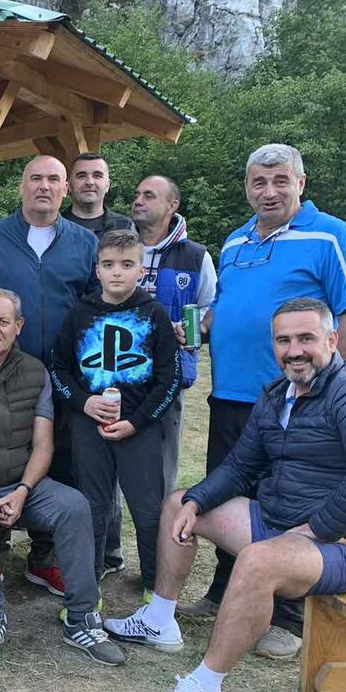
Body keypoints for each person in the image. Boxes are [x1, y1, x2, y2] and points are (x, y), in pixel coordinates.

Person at [104, 298, 346, 692]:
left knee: (257, 560)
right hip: (281, 523)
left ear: (332, 340)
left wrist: (317, 530)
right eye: (284, 340)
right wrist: (197, 502)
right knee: (178, 505)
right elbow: (241, 467)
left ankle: (206, 689)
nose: (294, 350)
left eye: (306, 338)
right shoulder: (277, 394)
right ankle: (158, 621)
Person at [185, 144, 346, 659]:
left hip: (297, 401)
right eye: (259, 182)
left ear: (301, 184)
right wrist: (198, 327)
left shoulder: (332, 235)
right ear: (247, 188)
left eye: (280, 181)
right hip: (231, 395)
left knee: (289, 501)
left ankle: (286, 618)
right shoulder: (236, 239)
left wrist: (334, 390)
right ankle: (224, 591)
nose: (269, 192)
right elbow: (228, 305)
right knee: (228, 495)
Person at [0, 288, 126, 666]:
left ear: (18, 326)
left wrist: (22, 491)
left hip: (22, 485)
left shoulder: (37, 372)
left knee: (74, 506)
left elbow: (43, 444)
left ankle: (81, 616)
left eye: (3, 321)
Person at [0, 154, 98, 594]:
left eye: (53, 179)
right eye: (35, 178)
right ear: (21, 186)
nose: (44, 187)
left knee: (62, 461)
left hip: (67, 378)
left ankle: (44, 557)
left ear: (65, 189)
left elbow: (96, 310)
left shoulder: (84, 243)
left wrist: (88, 371)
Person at [51, 230, 181, 600]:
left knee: (147, 509)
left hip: (139, 428)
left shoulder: (154, 314)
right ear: (97, 270)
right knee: (92, 506)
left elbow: (169, 379)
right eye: (108, 265)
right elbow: (59, 369)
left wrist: (137, 422)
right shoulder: (80, 314)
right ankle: (86, 588)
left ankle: (155, 590)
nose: (117, 272)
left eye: (126, 264)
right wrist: (83, 403)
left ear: (141, 270)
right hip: (88, 426)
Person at [130, 175, 217, 500]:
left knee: (162, 463)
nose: (138, 200)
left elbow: (211, 304)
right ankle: (108, 534)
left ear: (172, 205)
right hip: (118, 369)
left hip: (169, 372)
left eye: (149, 195)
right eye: (137, 194)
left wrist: (191, 331)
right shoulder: (117, 246)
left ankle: (162, 527)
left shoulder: (195, 256)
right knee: (111, 461)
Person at [63, 152, 132, 235]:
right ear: (69, 185)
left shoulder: (126, 227)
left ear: (107, 185)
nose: (89, 182)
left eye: (97, 176)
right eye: (81, 176)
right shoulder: (55, 227)